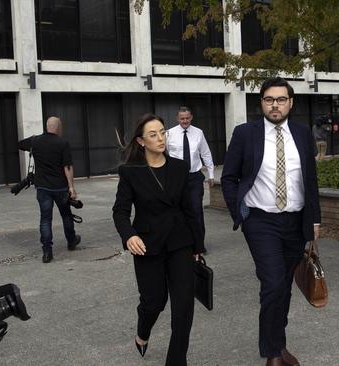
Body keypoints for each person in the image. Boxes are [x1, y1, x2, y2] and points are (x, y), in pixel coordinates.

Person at [221, 77, 321, 366]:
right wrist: (238, 212)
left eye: (280, 99)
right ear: (261, 102)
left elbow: (310, 181)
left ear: (291, 102)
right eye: (269, 99)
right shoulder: (245, 134)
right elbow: (228, 177)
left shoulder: (302, 134)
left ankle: (279, 344)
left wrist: (314, 219)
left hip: (296, 221)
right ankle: (272, 355)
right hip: (260, 222)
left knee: (284, 286)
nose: (274, 105)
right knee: (274, 284)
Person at [112, 114, 205, 366]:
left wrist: (198, 246)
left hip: (179, 243)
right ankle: (143, 332)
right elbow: (120, 211)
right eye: (153, 134)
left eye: (162, 132)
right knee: (153, 302)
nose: (160, 138)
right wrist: (129, 235)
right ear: (141, 141)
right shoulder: (130, 172)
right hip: (147, 245)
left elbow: (190, 209)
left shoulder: (180, 167)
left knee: (184, 307)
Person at [19, 117, 80, 263]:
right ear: (59, 127)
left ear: (47, 127)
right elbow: (68, 167)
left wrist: (34, 141)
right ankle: (71, 241)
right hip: (60, 187)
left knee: (45, 219)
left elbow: (21, 144)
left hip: (42, 188)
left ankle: (47, 252)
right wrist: (72, 187)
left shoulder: (35, 141)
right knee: (66, 215)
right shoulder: (63, 143)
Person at [167, 106, 214, 237]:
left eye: (187, 118)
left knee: (196, 210)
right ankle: (183, 241)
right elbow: (161, 154)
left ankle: (199, 243)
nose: (185, 121)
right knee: (178, 210)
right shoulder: (168, 134)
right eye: (182, 118)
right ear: (177, 118)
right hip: (176, 179)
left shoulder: (199, 133)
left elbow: (206, 154)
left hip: (195, 178)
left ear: (191, 117)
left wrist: (211, 175)